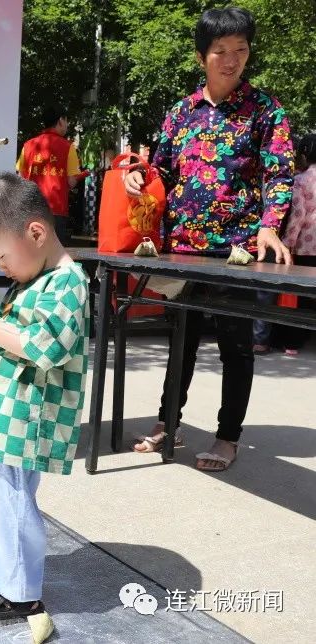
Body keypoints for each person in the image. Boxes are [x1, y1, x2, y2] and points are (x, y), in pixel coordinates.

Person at [127, 7, 295, 471]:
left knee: (235, 343)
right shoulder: (181, 112)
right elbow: (158, 168)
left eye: (241, 50)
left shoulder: (265, 110)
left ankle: (227, 436)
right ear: (203, 56)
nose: (232, 60)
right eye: (221, 51)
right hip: (181, 248)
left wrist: (269, 223)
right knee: (180, 339)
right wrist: (137, 178)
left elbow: (279, 173)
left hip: (236, 250)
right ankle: (167, 424)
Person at [0, 173, 89, 627]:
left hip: (25, 418)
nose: (1, 266)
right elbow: (7, 338)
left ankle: (20, 591)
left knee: (9, 497)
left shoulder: (67, 283)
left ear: (36, 232)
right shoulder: (32, 274)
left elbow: (45, 346)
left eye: (1, 256)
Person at [16, 105, 87, 245]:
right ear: (61, 120)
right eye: (66, 121)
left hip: (31, 209)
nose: (67, 125)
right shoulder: (68, 147)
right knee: (54, 257)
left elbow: (20, 178)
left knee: (32, 253)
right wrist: (82, 175)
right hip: (56, 211)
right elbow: (71, 182)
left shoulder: (28, 145)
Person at [278, 134, 316, 352]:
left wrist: (287, 242)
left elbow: (298, 215)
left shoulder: (301, 181)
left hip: (307, 246)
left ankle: (294, 341)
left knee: (301, 295)